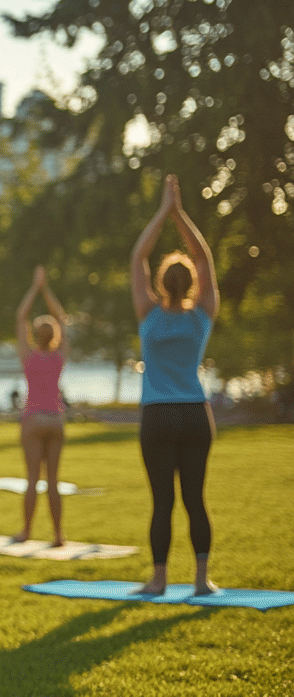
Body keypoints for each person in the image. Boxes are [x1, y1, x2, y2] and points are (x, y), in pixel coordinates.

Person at [131, 174, 219, 596]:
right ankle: (202, 580)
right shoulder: (202, 315)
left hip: (158, 414)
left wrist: (163, 213)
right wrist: (181, 214)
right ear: (192, 285)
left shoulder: (148, 315)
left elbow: (137, 258)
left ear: (161, 283)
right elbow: (203, 258)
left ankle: (159, 579)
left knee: (162, 500)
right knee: (195, 499)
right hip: (195, 413)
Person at [13, 266, 69, 545]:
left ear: (36, 335)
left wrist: (35, 288)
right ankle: (58, 536)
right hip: (56, 420)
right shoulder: (59, 356)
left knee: (33, 479)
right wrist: (47, 290)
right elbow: (62, 318)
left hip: (34, 420)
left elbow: (21, 316)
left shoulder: (29, 356)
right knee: (54, 482)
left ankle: (26, 532)